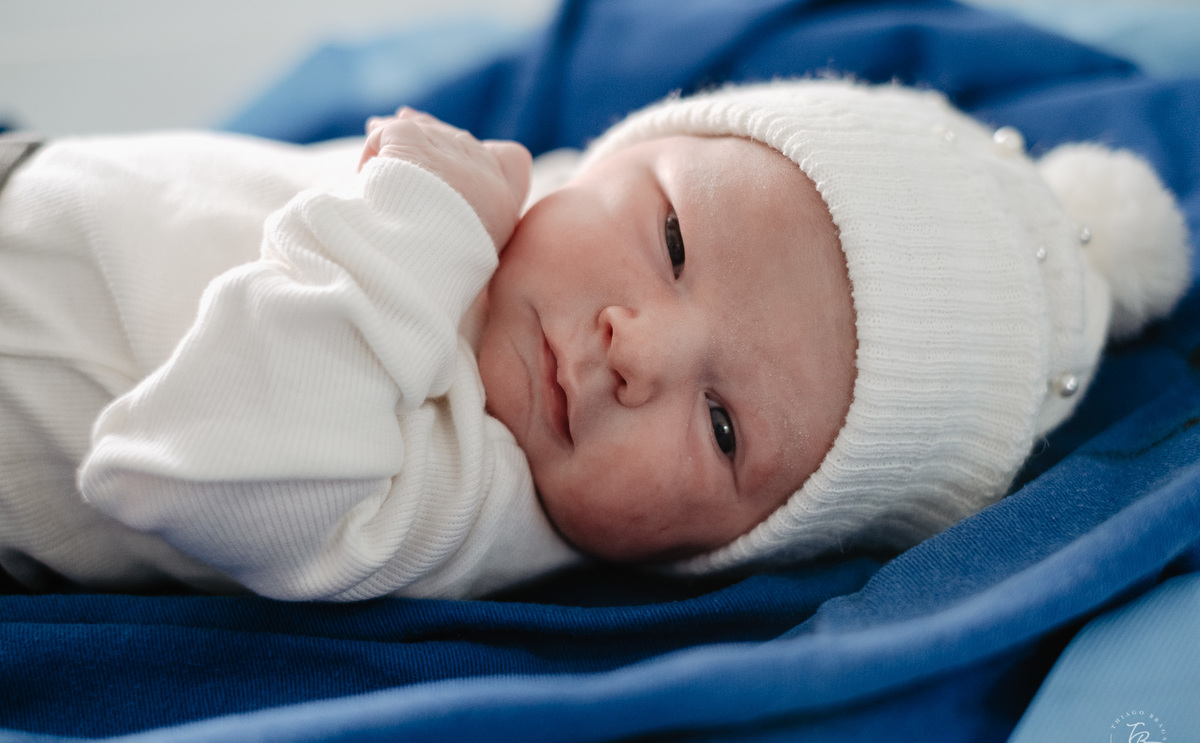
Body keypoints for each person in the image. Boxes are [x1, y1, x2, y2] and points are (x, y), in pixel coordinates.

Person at [0, 80, 1190, 600]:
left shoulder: (477, 492)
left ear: (726, 548)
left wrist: (404, 232)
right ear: (625, 151)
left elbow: (173, 472)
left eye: (723, 428)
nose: (642, 350)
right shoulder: (546, 219)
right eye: (672, 239)